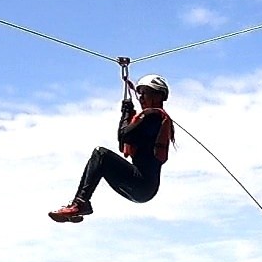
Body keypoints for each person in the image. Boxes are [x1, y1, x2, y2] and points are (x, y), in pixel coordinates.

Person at [49, 73, 174, 222]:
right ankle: (80, 206)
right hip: (143, 189)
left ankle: (80, 203)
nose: (141, 98)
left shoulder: (153, 116)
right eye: (139, 94)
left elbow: (124, 135)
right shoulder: (153, 120)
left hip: (142, 185)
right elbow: (124, 143)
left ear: (159, 96)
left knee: (101, 154)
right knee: (101, 160)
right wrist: (128, 114)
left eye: (144, 93)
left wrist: (126, 113)